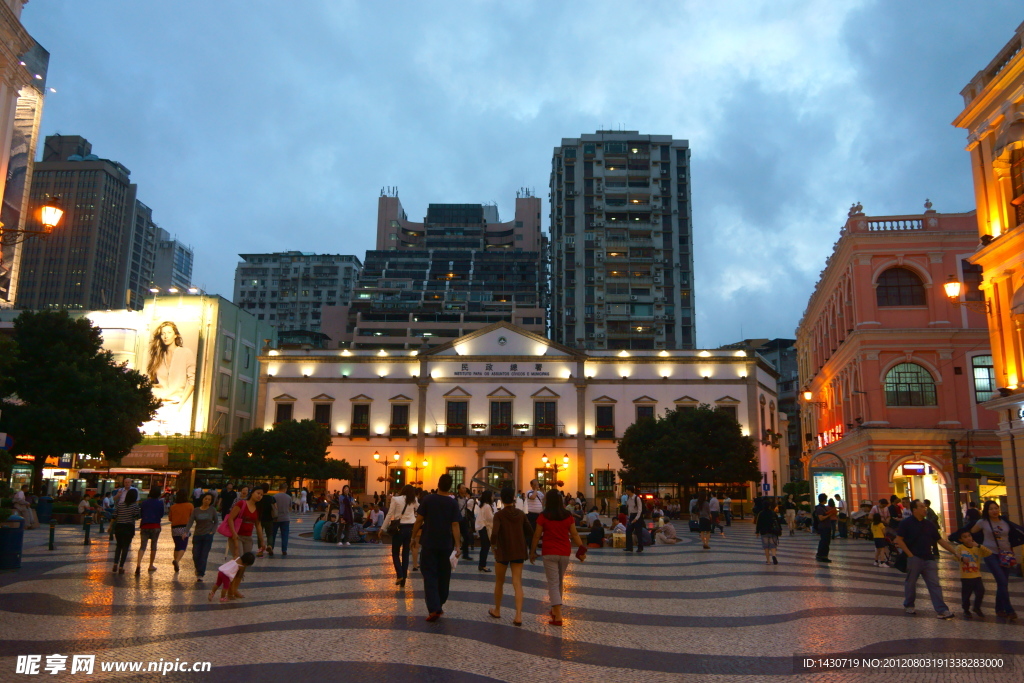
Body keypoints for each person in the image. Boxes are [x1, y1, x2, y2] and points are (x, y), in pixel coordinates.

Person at [530, 489, 586, 626]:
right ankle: (555, 610)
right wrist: (581, 547)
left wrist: (532, 551)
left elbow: (537, 535)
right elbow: (574, 534)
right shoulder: (567, 515)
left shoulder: (544, 516)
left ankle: (558, 615)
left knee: (553, 583)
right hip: (564, 552)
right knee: (559, 582)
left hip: (549, 552)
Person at [895, 499, 957, 619]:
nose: (925, 509)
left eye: (924, 507)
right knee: (911, 583)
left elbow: (939, 540)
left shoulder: (929, 524)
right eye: (922, 507)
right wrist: (910, 555)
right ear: (914, 510)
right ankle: (909, 604)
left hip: (929, 558)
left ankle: (942, 610)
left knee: (935, 584)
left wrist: (954, 552)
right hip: (914, 558)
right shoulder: (906, 523)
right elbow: (899, 539)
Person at [412, 474, 461, 622]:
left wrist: (413, 536)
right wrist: (458, 545)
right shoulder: (452, 503)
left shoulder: (428, 499)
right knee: (444, 574)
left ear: (438, 484)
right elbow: (455, 525)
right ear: (450, 487)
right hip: (446, 544)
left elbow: (419, 520)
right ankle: (440, 601)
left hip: (429, 542)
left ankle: (434, 607)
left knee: (429, 574)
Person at [488, 486, 534, 626]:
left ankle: (497, 610)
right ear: (514, 498)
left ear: (501, 498)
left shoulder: (499, 515)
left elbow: (495, 532)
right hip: (518, 551)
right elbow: (530, 531)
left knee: (499, 582)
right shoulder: (521, 514)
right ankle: (518, 615)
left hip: (503, 552)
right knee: (517, 582)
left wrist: (493, 546)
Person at [969, 501, 1022, 621]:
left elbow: (1012, 535)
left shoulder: (1005, 522)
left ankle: (999, 609)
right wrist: (978, 545)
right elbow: (971, 533)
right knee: (1002, 581)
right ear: (986, 511)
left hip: (1006, 554)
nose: (994, 511)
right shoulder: (982, 522)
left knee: (1002, 583)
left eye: (996, 508)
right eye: (991, 509)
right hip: (990, 554)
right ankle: (1009, 610)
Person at [146, 321, 196, 427]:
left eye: (169, 332)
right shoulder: (157, 356)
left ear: (175, 335)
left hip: (175, 404)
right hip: (156, 403)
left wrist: (181, 404)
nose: (165, 336)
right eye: (163, 333)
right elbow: (152, 381)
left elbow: (193, 381)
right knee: (152, 438)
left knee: (171, 437)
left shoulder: (186, 353)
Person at [224, 485, 266, 599]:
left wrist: (262, 540)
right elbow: (231, 519)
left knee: (244, 565)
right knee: (238, 564)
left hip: (248, 538)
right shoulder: (241, 504)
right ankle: (229, 590)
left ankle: (234, 589)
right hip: (237, 537)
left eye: (261, 495)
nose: (259, 496)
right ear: (252, 493)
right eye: (258, 493)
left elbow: (257, 525)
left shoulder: (258, 508)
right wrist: (234, 534)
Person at [381, 484, 418, 587]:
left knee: (395, 553)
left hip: (399, 529)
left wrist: (382, 528)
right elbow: (419, 509)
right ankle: (404, 580)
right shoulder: (413, 499)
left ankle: (400, 575)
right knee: (406, 554)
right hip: (410, 529)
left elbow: (389, 514)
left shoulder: (396, 499)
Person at [954, 529, 992, 619]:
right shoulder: (960, 548)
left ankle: (976, 607)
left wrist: (979, 545)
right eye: (965, 537)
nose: (968, 538)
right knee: (966, 594)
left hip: (976, 575)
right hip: (966, 576)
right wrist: (961, 558)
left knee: (981, 591)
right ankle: (966, 609)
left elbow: (989, 553)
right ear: (961, 540)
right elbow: (955, 556)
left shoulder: (977, 548)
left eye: (969, 536)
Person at [187, 492, 219, 581]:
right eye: (206, 498)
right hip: (197, 535)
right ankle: (198, 569)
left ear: (211, 501)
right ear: (202, 499)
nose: (207, 501)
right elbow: (190, 521)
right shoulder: (196, 510)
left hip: (207, 536)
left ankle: (200, 573)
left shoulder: (212, 510)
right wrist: (186, 531)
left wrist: (213, 531)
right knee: (196, 555)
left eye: (209, 499)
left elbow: (216, 521)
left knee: (204, 555)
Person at [136, 486, 165, 575]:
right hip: (155, 526)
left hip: (145, 525)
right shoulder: (160, 503)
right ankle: (151, 565)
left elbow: (141, 513)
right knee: (153, 546)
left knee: (142, 546)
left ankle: (138, 564)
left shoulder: (144, 503)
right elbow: (161, 514)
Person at [112, 489, 140, 574]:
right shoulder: (135, 506)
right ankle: (121, 567)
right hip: (129, 527)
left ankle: (115, 563)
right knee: (125, 547)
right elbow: (136, 517)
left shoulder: (120, 505)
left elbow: (114, 516)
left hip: (119, 526)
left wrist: (110, 526)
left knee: (119, 546)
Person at [169, 489, 194, 573]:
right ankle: (177, 561)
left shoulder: (173, 506)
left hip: (175, 528)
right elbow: (192, 516)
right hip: (184, 528)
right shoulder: (190, 505)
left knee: (177, 546)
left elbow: (170, 518)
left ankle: (176, 562)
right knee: (183, 546)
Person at [755, 498, 781, 564]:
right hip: (773, 531)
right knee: (773, 545)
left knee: (766, 547)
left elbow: (758, 523)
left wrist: (757, 532)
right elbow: (778, 522)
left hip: (764, 532)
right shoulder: (773, 513)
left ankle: (768, 561)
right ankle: (774, 556)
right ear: (769, 506)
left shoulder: (761, 513)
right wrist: (780, 530)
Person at [475, 490, 496, 572]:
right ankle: (482, 565)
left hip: (481, 527)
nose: (493, 497)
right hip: (484, 527)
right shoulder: (487, 506)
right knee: (485, 547)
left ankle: (482, 564)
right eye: (492, 495)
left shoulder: (484, 505)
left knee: (484, 547)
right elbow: (490, 519)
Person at [813, 493, 836, 563]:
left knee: (826, 542)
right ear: (824, 500)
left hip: (827, 526)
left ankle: (824, 555)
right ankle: (821, 555)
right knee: (824, 542)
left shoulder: (823, 507)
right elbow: (821, 518)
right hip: (824, 527)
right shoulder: (820, 508)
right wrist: (830, 514)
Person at [270, 487, 291, 556]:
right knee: (285, 535)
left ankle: (271, 548)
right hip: (285, 518)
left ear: (279, 489)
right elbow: (290, 508)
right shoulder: (289, 497)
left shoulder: (274, 497)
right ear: (285, 489)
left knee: (273, 534)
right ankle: (284, 550)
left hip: (276, 518)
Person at [256, 484, 276, 557]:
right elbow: (275, 507)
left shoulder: (258, 498)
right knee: (270, 534)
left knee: (260, 535)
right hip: (269, 518)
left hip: (259, 519)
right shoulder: (271, 498)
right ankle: (270, 546)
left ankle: (260, 551)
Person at [456, 485, 475, 562]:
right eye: (463, 488)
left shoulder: (465, 498)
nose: (464, 489)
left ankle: (465, 554)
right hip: (457, 520)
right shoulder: (456, 499)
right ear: (459, 489)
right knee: (454, 537)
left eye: (465, 488)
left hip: (464, 519)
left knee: (466, 536)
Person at [624, 486, 645, 553]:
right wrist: (629, 517)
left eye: (626, 490)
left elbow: (639, 510)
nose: (626, 491)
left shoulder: (637, 498)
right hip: (631, 516)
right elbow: (629, 508)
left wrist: (636, 518)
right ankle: (629, 547)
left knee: (638, 532)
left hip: (637, 517)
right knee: (628, 531)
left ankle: (640, 547)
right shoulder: (628, 498)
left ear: (630, 491)